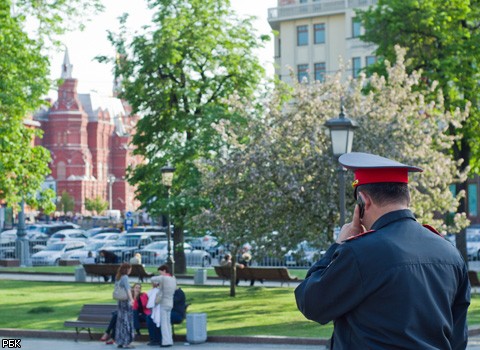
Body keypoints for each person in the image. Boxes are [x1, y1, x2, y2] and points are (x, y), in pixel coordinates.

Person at [294, 152, 470, 349]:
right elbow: (458, 340)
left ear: (364, 201)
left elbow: (311, 303)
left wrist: (338, 246)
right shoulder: (450, 253)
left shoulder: (359, 252)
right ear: (408, 198)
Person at [151, 264, 177, 347]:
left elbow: (152, 279)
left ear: (164, 271)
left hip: (164, 303)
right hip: (170, 303)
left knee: (164, 323)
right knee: (168, 323)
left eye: (160, 272)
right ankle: (170, 340)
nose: (160, 274)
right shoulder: (173, 278)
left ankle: (165, 342)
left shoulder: (163, 278)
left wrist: (159, 277)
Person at [114, 263, 135, 349]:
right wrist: (131, 299)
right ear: (127, 269)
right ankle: (126, 342)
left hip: (120, 301)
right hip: (126, 302)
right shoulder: (125, 277)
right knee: (126, 321)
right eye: (130, 269)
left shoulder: (118, 277)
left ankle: (120, 341)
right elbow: (128, 289)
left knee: (121, 321)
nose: (130, 271)